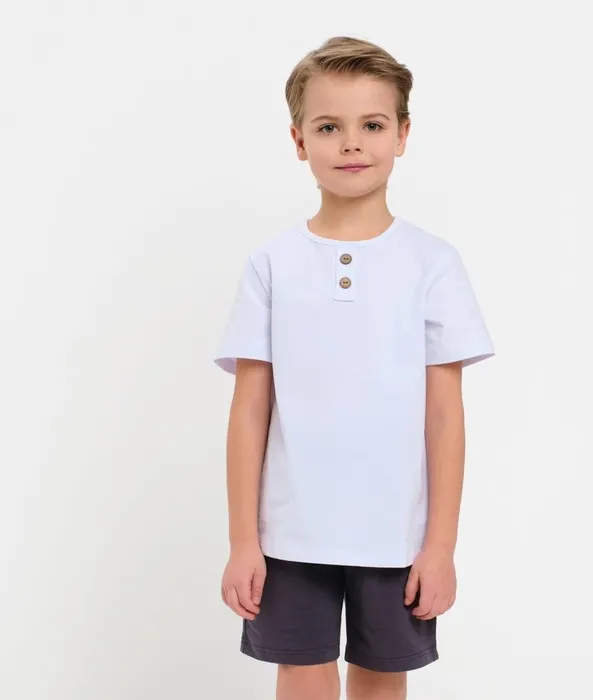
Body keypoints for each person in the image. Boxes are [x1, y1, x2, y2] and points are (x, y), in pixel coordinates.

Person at [214, 35, 496, 700]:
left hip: (397, 535)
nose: (351, 144)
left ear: (402, 134)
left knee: (382, 677)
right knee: (301, 674)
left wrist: (440, 547)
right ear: (298, 140)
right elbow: (250, 410)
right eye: (328, 127)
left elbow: (444, 416)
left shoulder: (433, 264)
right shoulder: (272, 264)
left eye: (372, 125)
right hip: (289, 534)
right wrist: (243, 541)